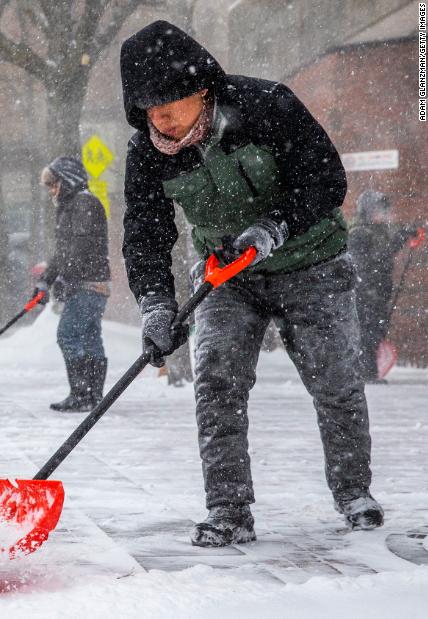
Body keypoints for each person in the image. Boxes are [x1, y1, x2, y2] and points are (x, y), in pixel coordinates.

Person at [120, 20, 381, 547]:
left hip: (311, 264)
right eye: (149, 108)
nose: (161, 119)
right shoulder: (147, 152)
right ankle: (229, 509)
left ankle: (354, 492)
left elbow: (326, 177)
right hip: (226, 274)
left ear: (202, 89)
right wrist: (155, 305)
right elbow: (146, 235)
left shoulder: (266, 106)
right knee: (215, 383)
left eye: (170, 103)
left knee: (334, 382)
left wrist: (276, 224)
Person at [32, 156, 111, 412]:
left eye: (54, 184)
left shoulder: (83, 203)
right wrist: (46, 280)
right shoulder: (71, 206)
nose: (52, 191)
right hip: (88, 281)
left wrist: (67, 277)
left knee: (68, 335)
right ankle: (92, 396)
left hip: (87, 284)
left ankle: (82, 394)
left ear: (68, 181)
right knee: (89, 337)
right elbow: (63, 253)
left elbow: (81, 246)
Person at [347, 190, 421, 383]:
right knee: (367, 333)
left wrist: (403, 236)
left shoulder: (377, 231)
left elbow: (384, 254)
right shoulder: (359, 233)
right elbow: (367, 263)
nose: (383, 214)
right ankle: (366, 373)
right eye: (379, 210)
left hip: (377, 293)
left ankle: (368, 372)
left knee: (375, 332)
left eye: (384, 210)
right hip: (364, 293)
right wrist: (399, 239)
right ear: (367, 211)